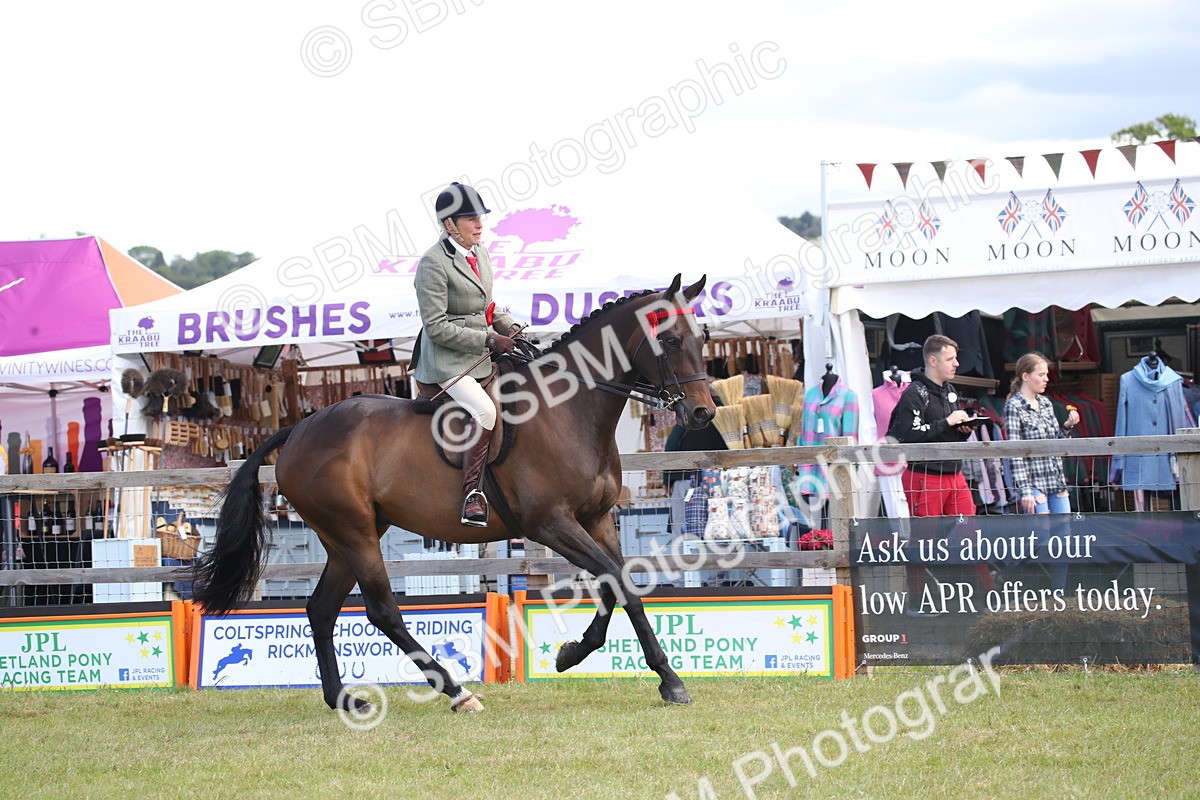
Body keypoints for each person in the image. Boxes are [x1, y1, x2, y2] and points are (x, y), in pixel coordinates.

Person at [413, 182, 524, 527]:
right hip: (446, 361)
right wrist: (490, 341)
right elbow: (436, 327)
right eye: (471, 219)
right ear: (449, 225)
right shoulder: (433, 263)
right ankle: (471, 495)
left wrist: (509, 326)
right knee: (486, 410)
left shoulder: (480, 254)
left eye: (481, 218)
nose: (479, 225)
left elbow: (486, 306)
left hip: (479, 354)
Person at [886, 334, 988, 615]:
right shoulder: (913, 393)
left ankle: (990, 595)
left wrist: (963, 429)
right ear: (932, 361)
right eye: (950, 358)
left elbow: (944, 433)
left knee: (971, 535)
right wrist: (948, 422)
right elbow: (904, 438)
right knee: (923, 540)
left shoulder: (949, 390)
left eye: (955, 358)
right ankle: (916, 603)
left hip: (954, 475)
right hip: (924, 477)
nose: (956, 363)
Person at [1004, 352, 1079, 592]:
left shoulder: (1046, 403)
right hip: (1033, 482)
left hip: (1055, 480)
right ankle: (1013, 580)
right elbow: (1014, 451)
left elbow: (1055, 441)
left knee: (1063, 541)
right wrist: (1024, 490)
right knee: (1041, 539)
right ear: (1026, 376)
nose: (1046, 379)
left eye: (1047, 374)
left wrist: (1067, 427)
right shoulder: (1013, 406)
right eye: (1041, 374)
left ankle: (1059, 592)